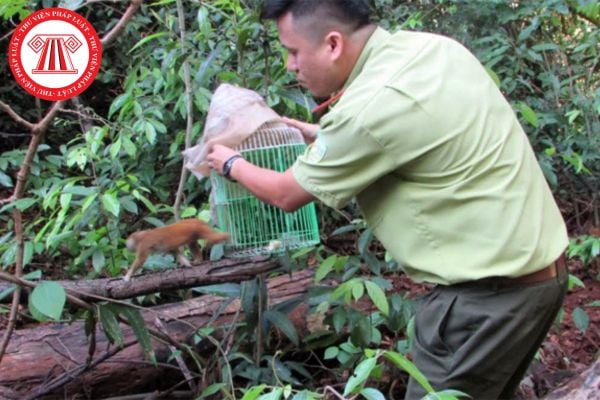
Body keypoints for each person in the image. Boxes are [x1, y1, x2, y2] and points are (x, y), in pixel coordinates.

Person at [206, 1, 569, 398]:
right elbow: (410, 131)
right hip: (540, 276)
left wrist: (230, 162)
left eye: (293, 52)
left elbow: (287, 193)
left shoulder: (367, 111)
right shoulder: (431, 49)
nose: (290, 66)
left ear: (332, 44)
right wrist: (318, 133)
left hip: (484, 303)